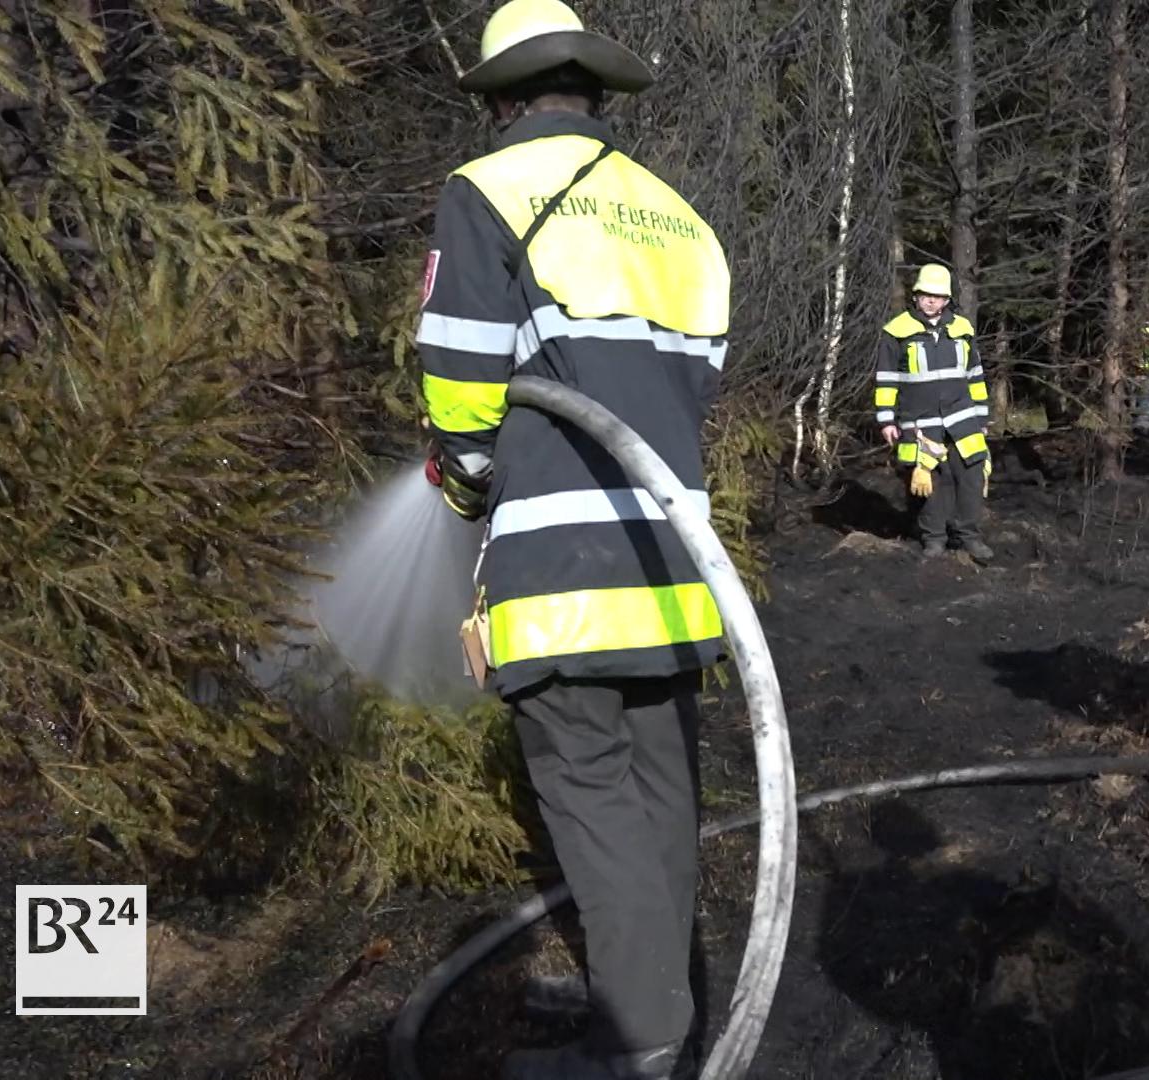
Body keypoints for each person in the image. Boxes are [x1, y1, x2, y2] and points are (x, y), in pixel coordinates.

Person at [414, 0, 730, 1075]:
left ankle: (640, 1045)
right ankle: (652, 999)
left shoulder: (487, 190)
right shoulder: (678, 216)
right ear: (593, 91)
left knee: (591, 802)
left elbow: (460, 383)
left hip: (561, 569)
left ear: (502, 98)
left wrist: (462, 483)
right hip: (679, 567)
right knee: (661, 795)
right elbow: (689, 388)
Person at [874, 263, 995, 563]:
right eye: (926, 294)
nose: (931, 301)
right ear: (915, 296)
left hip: (963, 418)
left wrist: (981, 419)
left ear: (947, 300)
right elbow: (887, 378)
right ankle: (934, 540)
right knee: (929, 482)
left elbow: (975, 376)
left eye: (938, 296)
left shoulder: (962, 330)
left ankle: (969, 537)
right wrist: (886, 419)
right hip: (920, 423)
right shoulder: (897, 332)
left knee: (971, 476)